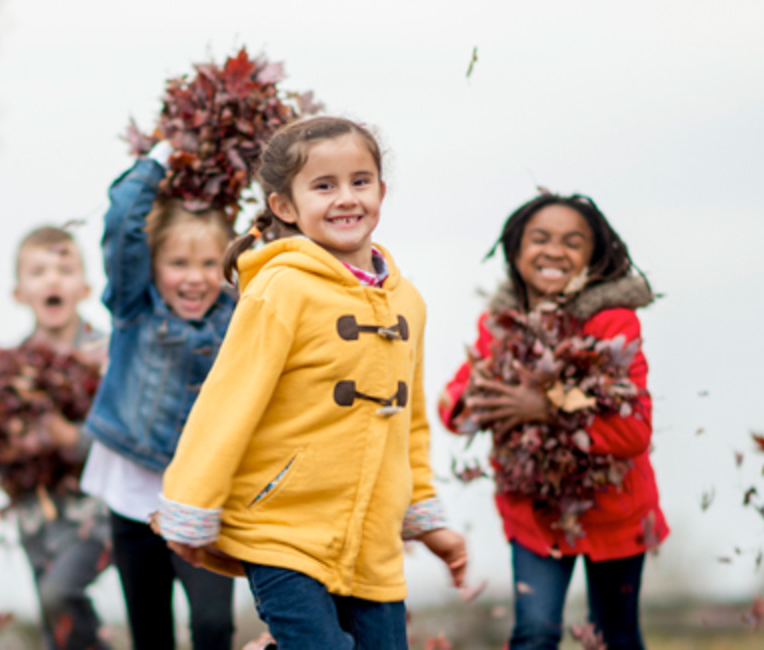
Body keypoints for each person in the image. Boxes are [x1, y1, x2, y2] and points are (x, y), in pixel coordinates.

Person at [156, 116, 468, 650]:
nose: (346, 198)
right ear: (285, 206)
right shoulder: (279, 290)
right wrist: (190, 505)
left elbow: (409, 422)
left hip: (372, 545)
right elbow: (227, 402)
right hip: (282, 531)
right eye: (324, 186)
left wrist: (425, 516)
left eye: (360, 181)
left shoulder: (407, 302)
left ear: (381, 191)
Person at [437, 192, 668, 650]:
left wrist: (546, 410)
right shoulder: (498, 324)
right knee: (536, 631)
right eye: (539, 239)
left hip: (615, 509)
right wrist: (479, 397)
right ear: (517, 250)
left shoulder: (612, 324)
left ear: (593, 256)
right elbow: (452, 410)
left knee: (615, 637)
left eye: (572, 241)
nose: (554, 251)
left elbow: (633, 432)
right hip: (536, 510)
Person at [79, 140, 239, 650]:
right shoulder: (135, 308)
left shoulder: (238, 318)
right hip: (132, 495)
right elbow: (123, 220)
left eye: (210, 263)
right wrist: (162, 156)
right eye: (178, 263)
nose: (195, 278)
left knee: (213, 626)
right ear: (153, 266)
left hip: (202, 497)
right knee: (151, 633)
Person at [8, 225, 112, 650]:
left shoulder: (107, 353)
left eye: (64, 269)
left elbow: (126, 435)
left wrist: (72, 437)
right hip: (36, 517)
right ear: (19, 292)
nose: (52, 279)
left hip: (99, 513)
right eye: (38, 271)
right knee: (57, 631)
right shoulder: (8, 371)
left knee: (60, 593)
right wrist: (6, 444)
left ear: (84, 287)